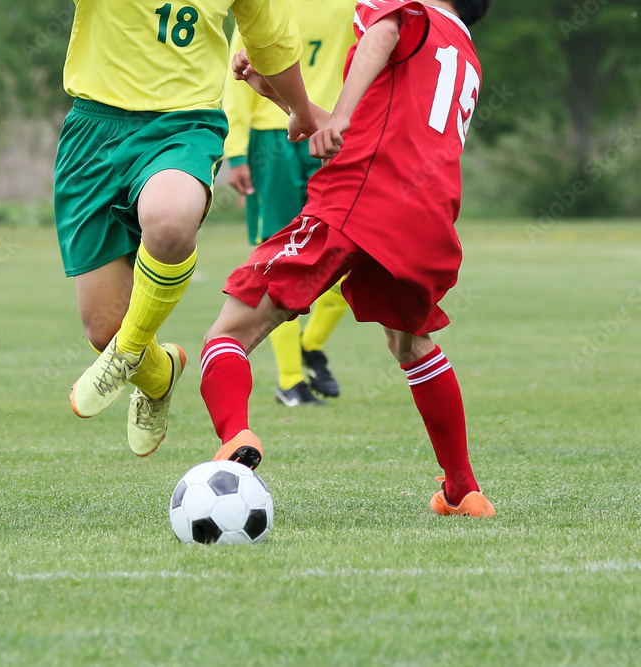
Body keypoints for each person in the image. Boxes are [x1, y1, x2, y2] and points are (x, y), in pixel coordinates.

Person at [199, 0, 495, 517]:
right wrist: (275, 93)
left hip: (360, 196)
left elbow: (380, 32)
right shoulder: (463, 52)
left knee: (229, 331)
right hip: (427, 217)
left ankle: (234, 438)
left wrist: (338, 115)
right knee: (412, 343)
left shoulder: (410, 11)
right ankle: (462, 489)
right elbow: (352, 135)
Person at [56, 0, 319, 457]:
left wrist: (300, 110)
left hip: (183, 123)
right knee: (102, 327)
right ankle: (157, 373)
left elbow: (272, 41)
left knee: (171, 219)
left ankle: (128, 350)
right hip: (93, 130)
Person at [222, 0, 357, 407]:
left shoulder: (355, 7)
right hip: (272, 137)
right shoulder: (263, 4)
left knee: (348, 249)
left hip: (332, 129)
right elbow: (237, 74)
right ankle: (290, 379)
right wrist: (238, 151)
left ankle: (309, 345)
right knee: (277, 259)